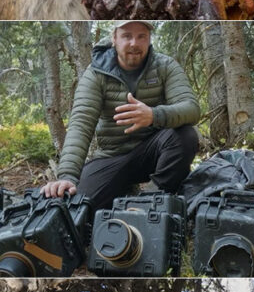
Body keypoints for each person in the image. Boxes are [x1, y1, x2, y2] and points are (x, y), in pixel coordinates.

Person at [41, 20, 200, 211]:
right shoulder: (96, 74)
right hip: (113, 155)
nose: (134, 43)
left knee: (186, 135)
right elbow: (80, 125)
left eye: (141, 36)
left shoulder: (165, 66)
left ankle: (151, 200)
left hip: (154, 151)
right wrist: (67, 175)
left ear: (149, 39)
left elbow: (191, 108)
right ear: (114, 38)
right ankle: (124, 189)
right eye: (127, 36)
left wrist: (153, 115)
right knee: (80, 208)